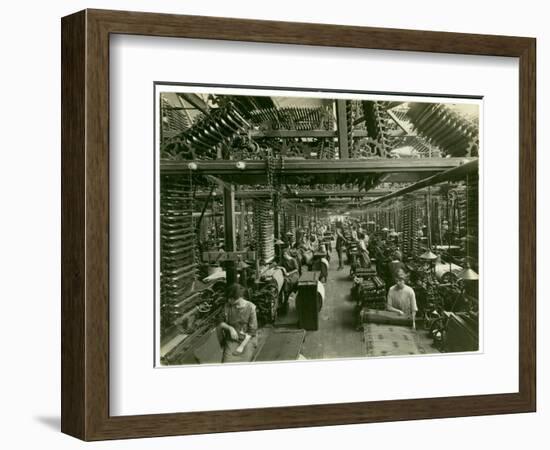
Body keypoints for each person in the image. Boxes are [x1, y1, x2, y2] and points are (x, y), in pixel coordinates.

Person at [217, 283, 258, 363]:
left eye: (231, 298)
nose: (229, 300)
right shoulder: (227, 306)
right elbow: (220, 323)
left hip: (247, 340)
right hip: (232, 340)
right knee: (226, 363)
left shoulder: (251, 307)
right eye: (228, 298)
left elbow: (252, 331)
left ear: (238, 298)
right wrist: (230, 328)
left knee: (244, 363)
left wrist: (241, 347)